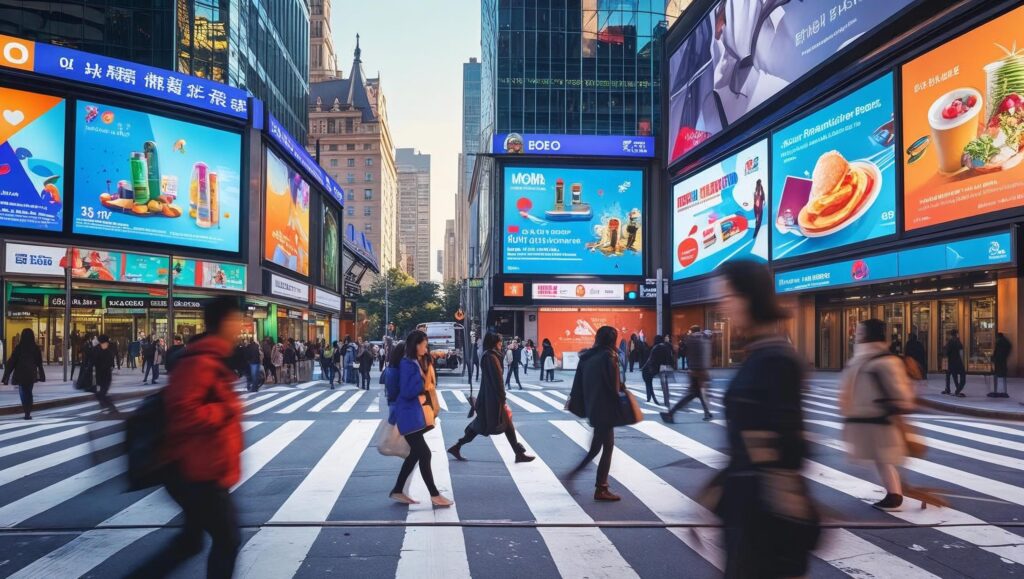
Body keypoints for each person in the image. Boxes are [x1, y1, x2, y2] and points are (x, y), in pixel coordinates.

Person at [708, 261, 818, 577]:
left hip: (765, 516)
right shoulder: (760, 354)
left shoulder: (775, 359)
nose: (723, 305)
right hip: (748, 508)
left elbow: (790, 446)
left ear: (749, 298)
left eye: (727, 296)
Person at [141, 296, 244, 579]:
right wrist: (225, 409)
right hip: (196, 470)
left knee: (191, 542)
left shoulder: (213, 359)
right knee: (227, 539)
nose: (239, 327)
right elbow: (184, 413)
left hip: (204, 466)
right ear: (223, 323)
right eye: (236, 321)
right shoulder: (200, 362)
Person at [840, 319, 916, 511]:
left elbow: (901, 394)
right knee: (881, 458)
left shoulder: (884, 361)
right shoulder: (863, 358)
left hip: (879, 420)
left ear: (868, 334)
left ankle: (895, 495)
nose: (856, 336)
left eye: (860, 332)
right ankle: (894, 493)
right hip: (867, 419)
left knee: (883, 458)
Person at [448, 333, 535, 463]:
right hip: (492, 398)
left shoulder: (490, 355)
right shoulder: (491, 357)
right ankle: (518, 453)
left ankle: (518, 453)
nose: (501, 344)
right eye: (499, 342)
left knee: (488, 425)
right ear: (494, 343)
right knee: (491, 425)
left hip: (489, 397)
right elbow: (498, 380)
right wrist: (502, 397)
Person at [389, 330, 452, 507]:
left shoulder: (415, 361)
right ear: (416, 345)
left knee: (416, 454)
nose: (426, 348)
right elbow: (407, 391)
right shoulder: (408, 364)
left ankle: (398, 490)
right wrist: (422, 382)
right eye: (424, 345)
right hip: (408, 414)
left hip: (412, 414)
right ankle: (434, 495)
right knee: (424, 453)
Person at [567, 326, 626, 501]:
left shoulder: (587, 356)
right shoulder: (610, 357)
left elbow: (577, 384)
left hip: (593, 407)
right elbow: (615, 387)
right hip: (606, 409)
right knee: (606, 447)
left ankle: (577, 476)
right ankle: (601, 488)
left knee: (596, 448)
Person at [661, 326, 713, 422]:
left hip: (695, 371)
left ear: (692, 331)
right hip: (703, 371)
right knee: (697, 393)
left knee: (691, 394)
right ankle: (707, 413)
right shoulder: (705, 339)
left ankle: (671, 414)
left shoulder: (693, 339)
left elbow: (683, 350)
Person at [2, 328, 45, 420]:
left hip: (20, 373)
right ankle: (28, 411)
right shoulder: (36, 348)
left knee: (23, 392)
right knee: (29, 391)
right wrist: (41, 375)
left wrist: (6, 376)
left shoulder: (19, 347)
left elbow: (12, 362)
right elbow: (39, 363)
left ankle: (26, 411)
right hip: (31, 373)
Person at [641, 335, 675, 405]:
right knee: (664, 383)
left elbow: (650, 360)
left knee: (647, 378)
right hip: (664, 368)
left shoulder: (655, 348)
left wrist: (644, 367)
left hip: (655, 369)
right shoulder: (666, 347)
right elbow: (670, 359)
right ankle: (665, 401)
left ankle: (649, 397)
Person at [92, 335, 119, 415]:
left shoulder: (109, 352)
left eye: (106, 343)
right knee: (99, 394)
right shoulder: (98, 351)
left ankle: (111, 407)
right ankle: (105, 406)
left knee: (102, 393)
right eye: (103, 343)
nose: (105, 344)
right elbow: (93, 361)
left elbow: (110, 364)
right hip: (100, 376)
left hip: (106, 377)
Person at [943, 329, 966, 397]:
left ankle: (949, 389)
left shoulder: (949, 342)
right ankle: (957, 390)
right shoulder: (957, 341)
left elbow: (946, 352)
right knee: (959, 376)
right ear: (956, 334)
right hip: (957, 362)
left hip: (951, 362)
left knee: (950, 376)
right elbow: (961, 349)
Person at [993, 332, 1012, 397]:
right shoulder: (1006, 342)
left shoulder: (999, 342)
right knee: (1003, 376)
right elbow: (1009, 347)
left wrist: (994, 357)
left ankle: (997, 391)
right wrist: (1006, 355)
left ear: (998, 337)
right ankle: (1004, 391)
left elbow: (996, 351)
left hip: (999, 360)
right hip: (1003, 360)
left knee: (997, 374)